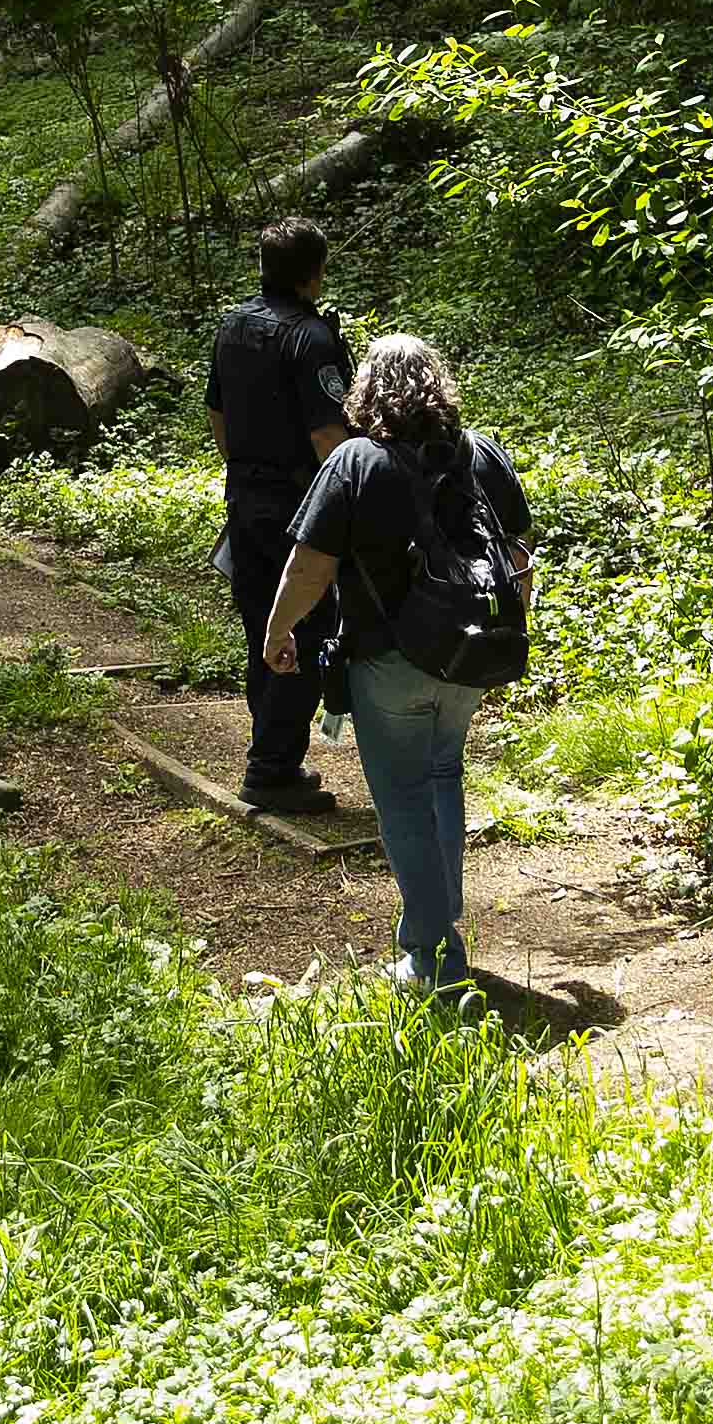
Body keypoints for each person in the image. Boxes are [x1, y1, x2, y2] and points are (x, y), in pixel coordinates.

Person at [262, 332, 536, 990]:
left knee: (405, 799)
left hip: (388, 662)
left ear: (367, 391)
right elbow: (520, 553)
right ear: (438, 384)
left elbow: (309, 565)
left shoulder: (355, 461)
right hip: (467, 657)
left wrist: (278, 630)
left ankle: (434, 957)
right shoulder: (482, 454)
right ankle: (439, 922)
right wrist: (509, 622)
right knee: (442, 776)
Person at [201, 214, 356, 815]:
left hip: (245, 498)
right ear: (313, 275)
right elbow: (328, 435)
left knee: (262, 628)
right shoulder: (312, 338)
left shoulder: (232, 327)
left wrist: (247, 471)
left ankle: (276, 754)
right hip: (299, 505)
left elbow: (217, 414)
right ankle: (270, 769)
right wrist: (348, 503)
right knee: (305, 628)